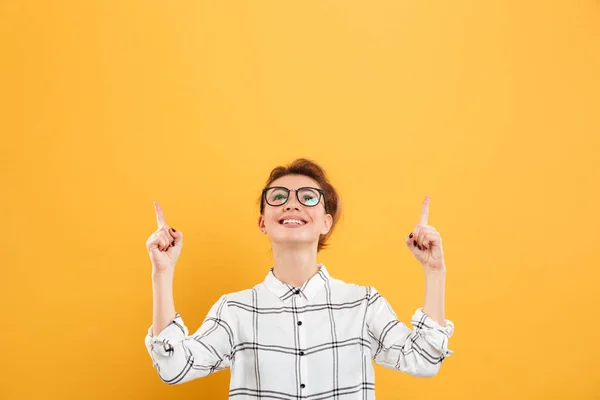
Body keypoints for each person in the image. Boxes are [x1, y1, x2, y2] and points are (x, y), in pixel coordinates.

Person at [144, 158, 454, 399]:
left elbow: (424, 360)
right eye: (278, 197)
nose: (292, 203)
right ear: (262, 222)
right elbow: (173, 368)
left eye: (307, 197)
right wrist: (162, 274)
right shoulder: (234, 310)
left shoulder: (363, 305)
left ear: (325, 222)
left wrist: (435, 271)